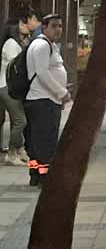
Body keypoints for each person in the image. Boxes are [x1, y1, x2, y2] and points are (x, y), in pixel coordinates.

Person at [24, 14, 71, 187]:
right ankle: (45, 177)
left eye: (60, 26)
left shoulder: (46, 45)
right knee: (46, 142)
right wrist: (61, 93)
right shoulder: (42, 46)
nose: (58, 29)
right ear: (44, 27)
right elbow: (43, 73)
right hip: (44, 101)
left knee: (37, 142)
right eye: (54, 26)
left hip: (43, 100)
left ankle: (36, 174)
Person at [0, 19, 30, 166]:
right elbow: (16, 66)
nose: (25, 26)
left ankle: (19, 150)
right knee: (20, 121)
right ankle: (11, 153)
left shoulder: (17, 43)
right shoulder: (11, 43)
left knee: (16, 120)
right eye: (22, 24)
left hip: (11, 88)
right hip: (6, 87)